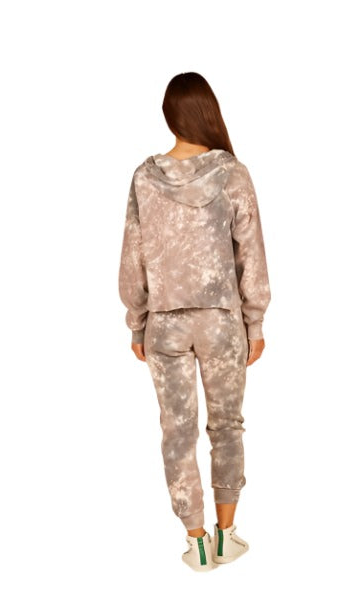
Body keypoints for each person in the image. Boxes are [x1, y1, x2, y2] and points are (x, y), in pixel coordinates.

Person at [118, 72, 271, 572]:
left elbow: (133, 256)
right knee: (226, 425)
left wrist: (137, 320)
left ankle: (196, 541)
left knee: (177, 431)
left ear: (169, 116)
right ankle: (227, 535)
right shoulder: (232, 173)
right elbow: (251, 254)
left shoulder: (145, 177)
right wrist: (255, 323)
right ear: (209, 113)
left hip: (165, 324)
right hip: (221, 322)